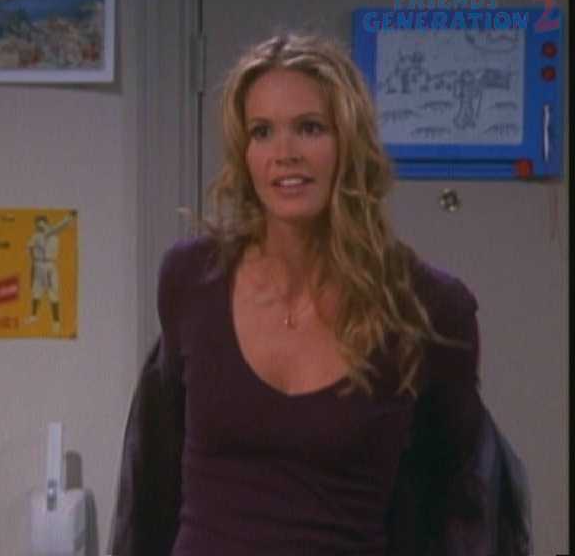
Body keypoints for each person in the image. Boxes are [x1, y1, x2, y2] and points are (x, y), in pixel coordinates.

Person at [114, 32, 490, 555]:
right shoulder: (192, 280)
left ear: (349, 143)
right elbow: (153, 479)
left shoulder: (429, 307)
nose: (284, 154)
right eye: (262, 132)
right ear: (244, 153)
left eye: (310, 128)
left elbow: (459, 506)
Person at [26, 211, 75, 334]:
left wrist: (68, 218)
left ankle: (56, 322)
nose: (39, 226)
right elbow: (30, 249)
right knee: (36, 292)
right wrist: (33, 268)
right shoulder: (36, 235)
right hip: (38, 265)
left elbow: (59, 227)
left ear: (46, 223)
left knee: (53, 294)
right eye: (37, 224)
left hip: (49, 265)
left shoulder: (52, 233)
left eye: (41, 224)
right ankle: (33, 316)